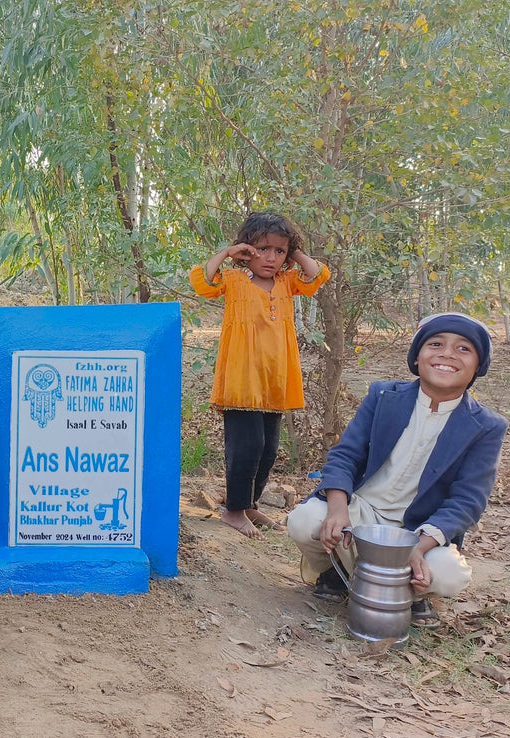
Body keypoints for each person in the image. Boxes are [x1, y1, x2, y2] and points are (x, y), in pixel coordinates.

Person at [288, 312, 507, 628]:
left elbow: (467, 500)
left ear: (477, 367)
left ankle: (412, 595)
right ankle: (334, 574)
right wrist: (337, 510)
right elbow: (345, 456)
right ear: (417, 358)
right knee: (305, 520)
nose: (447, 354)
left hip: (419, 530)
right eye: (435, 344)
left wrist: (418, 547)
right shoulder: (383, 396)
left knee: (449, 574)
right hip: (362, 511)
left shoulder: (486, 426)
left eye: (463, 349)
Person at [190, 212, 330, 538]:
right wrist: (228, 252)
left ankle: (250, 503)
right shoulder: (235, 280)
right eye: (263, 249)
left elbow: (318, 275)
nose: (271, 258)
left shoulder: (286, 282)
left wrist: (291, 250)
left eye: (278, 251)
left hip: (274, 380)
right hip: (242, 377)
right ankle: (234, 510)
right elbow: (202, 281)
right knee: (247, 445)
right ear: (247, 249)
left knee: (268, 447)